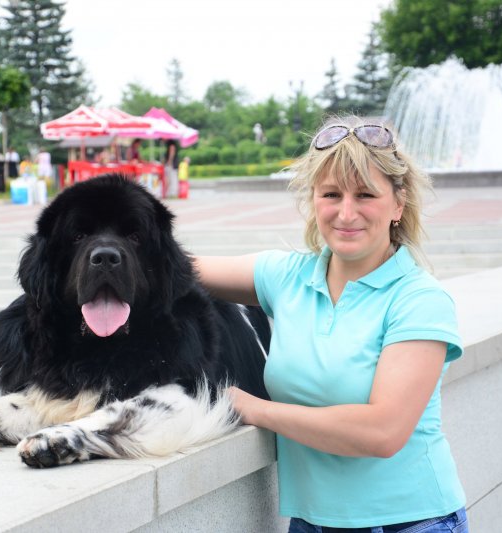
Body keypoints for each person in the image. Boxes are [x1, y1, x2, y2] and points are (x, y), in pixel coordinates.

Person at [194, 117, 468, 532]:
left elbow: (382, 432)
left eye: (365, 195)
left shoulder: (419, 299)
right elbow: (171, 269)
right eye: (331, 194)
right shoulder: (287, 277)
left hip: (411, 523)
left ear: (398, 204)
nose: (346, 212)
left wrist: (254, 409)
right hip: (310, 524)